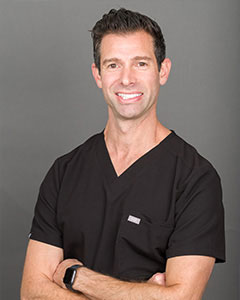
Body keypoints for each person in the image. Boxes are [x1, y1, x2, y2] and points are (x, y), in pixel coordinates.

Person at [21, 8, 225, 300]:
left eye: (140, 63)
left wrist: (77, 277)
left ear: (162, 70)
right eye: (113, 65)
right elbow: (31, 292)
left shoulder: (195, 178)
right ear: (98, 75)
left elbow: (182, 298)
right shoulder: (64, 172)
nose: (126, 79)